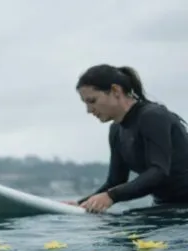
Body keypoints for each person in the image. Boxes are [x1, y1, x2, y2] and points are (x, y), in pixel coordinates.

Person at [70, 64, 188, 213]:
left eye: (92, 101)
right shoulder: (116, 130)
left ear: (115, 90)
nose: (88, 110)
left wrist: (111, 196)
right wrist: (81, 203)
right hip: (167, 207)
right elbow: (115, 181)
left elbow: (158, 171)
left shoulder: (152, 116)